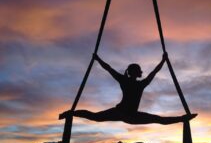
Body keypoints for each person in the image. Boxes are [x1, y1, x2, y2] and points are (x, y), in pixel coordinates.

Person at [59, 53, 197, 125]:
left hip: (125, 113)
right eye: (139, 70)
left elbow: (109, 69)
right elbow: (109, 69)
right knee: (158, 119)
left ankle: (183, 119)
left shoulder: (129, 81)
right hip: (125, 113)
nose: (141, 72)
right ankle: (182, 119)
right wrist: (163, 61)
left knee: (95, 117)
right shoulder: (137, 83)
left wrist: (163, 61)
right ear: (134, 72)